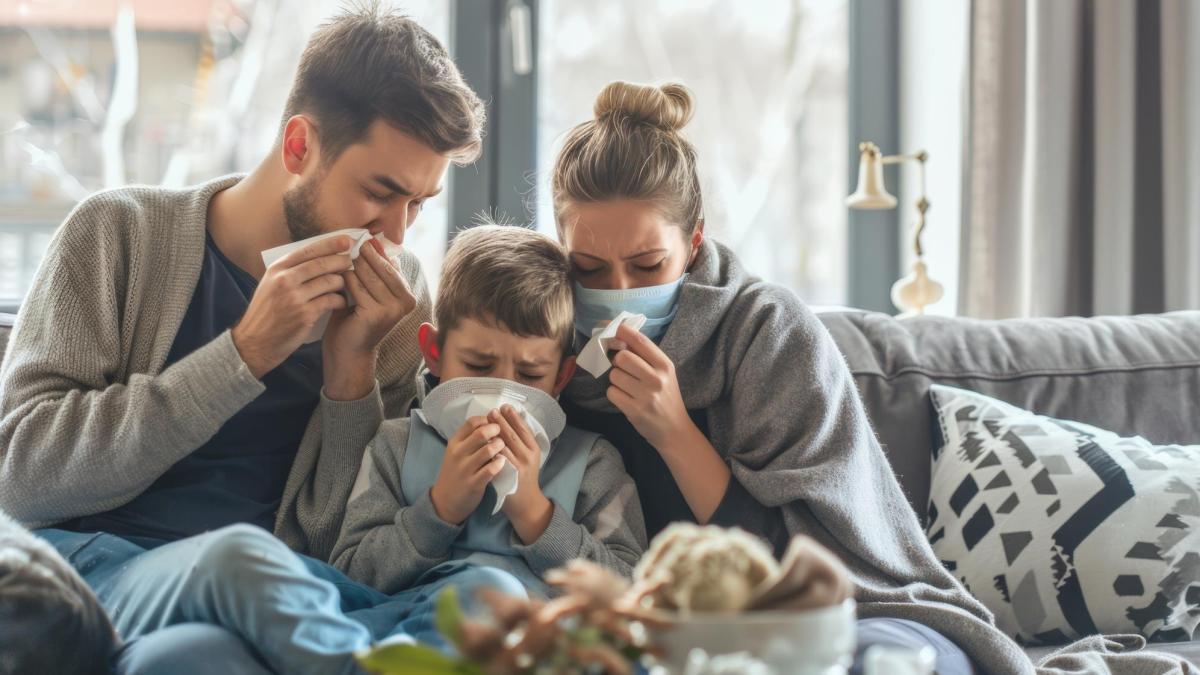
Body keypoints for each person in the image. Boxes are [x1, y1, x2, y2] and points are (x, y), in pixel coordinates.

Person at [0, 4, 484, 671]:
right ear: (298, 146)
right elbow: (21, 478)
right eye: (381, 193)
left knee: (488, 591)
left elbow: (342, 546)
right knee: (241, 561)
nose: (397, 233)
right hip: (110, 571)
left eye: (419, 204)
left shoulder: (393, 298)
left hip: (290, 597)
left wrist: (352, 374)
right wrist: (242, 354)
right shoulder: (117, 234)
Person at [549, 80, 1019, 674]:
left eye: (647, 266)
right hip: (663, 631)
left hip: (854, 612)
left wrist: (673, 432)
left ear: (693, 243)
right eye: (589, 268)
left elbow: (801, 560)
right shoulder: (545, 339)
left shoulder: (766, 331)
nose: (619, 293)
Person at [330, 224, 645, 649]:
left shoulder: (590, 463)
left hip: (513, 639)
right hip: (392, 618)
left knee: (486, 591)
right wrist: (440, 509)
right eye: (478, 366)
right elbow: (350, 574)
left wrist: (536, 517)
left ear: (561, 377)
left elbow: (629, 599)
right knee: (238, 556)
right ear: (435, 353)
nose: (502, 391)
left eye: (530, 375)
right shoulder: (396, 445)